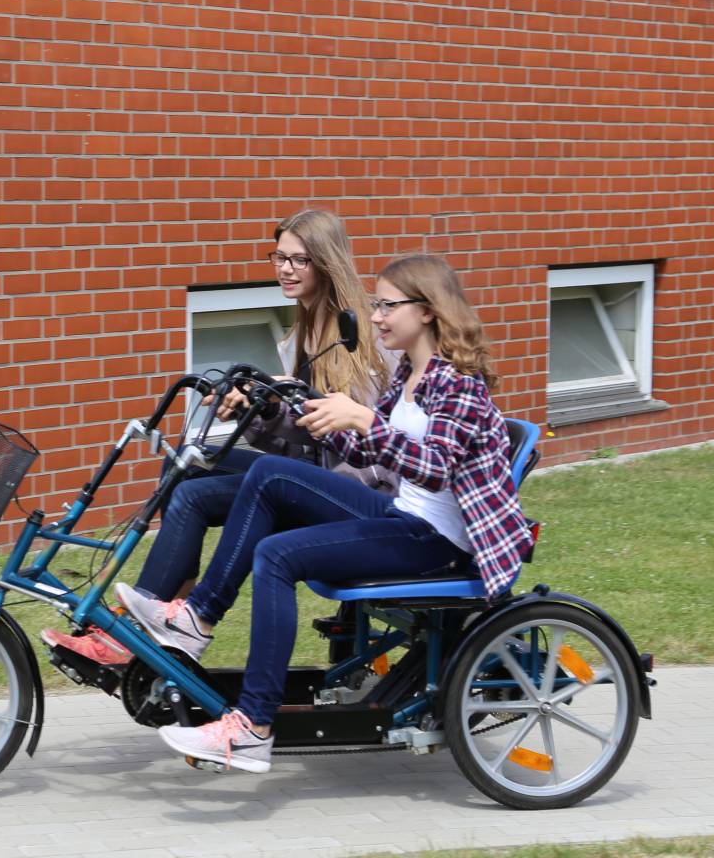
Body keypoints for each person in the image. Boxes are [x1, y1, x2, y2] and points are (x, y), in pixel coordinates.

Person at [116, 254, 534, 773]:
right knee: (268, 476)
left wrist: (362, 420)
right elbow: (368, 453)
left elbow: (434, 467)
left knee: (275, 555)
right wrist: (311, 415)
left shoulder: (458, 383)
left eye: (387, 306)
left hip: (439, 544)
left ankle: (251, 727)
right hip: (403, 516)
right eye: (376, 305)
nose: (376, 316)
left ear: (427, 310)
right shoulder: (409, 372)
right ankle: (198, 619)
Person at [41, 209, 392, 667]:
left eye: (298, 260)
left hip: (352, 490)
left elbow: (357, 438)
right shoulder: (298, 335)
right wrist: (260, 410)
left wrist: (284, 399)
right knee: (186, 462)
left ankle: (137, 633)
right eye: (279, 257)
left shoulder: (363, 336)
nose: (285, 269)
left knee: (195, 498)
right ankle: (165, 607)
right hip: (313, 471)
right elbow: (296, 444)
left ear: (326, 263)